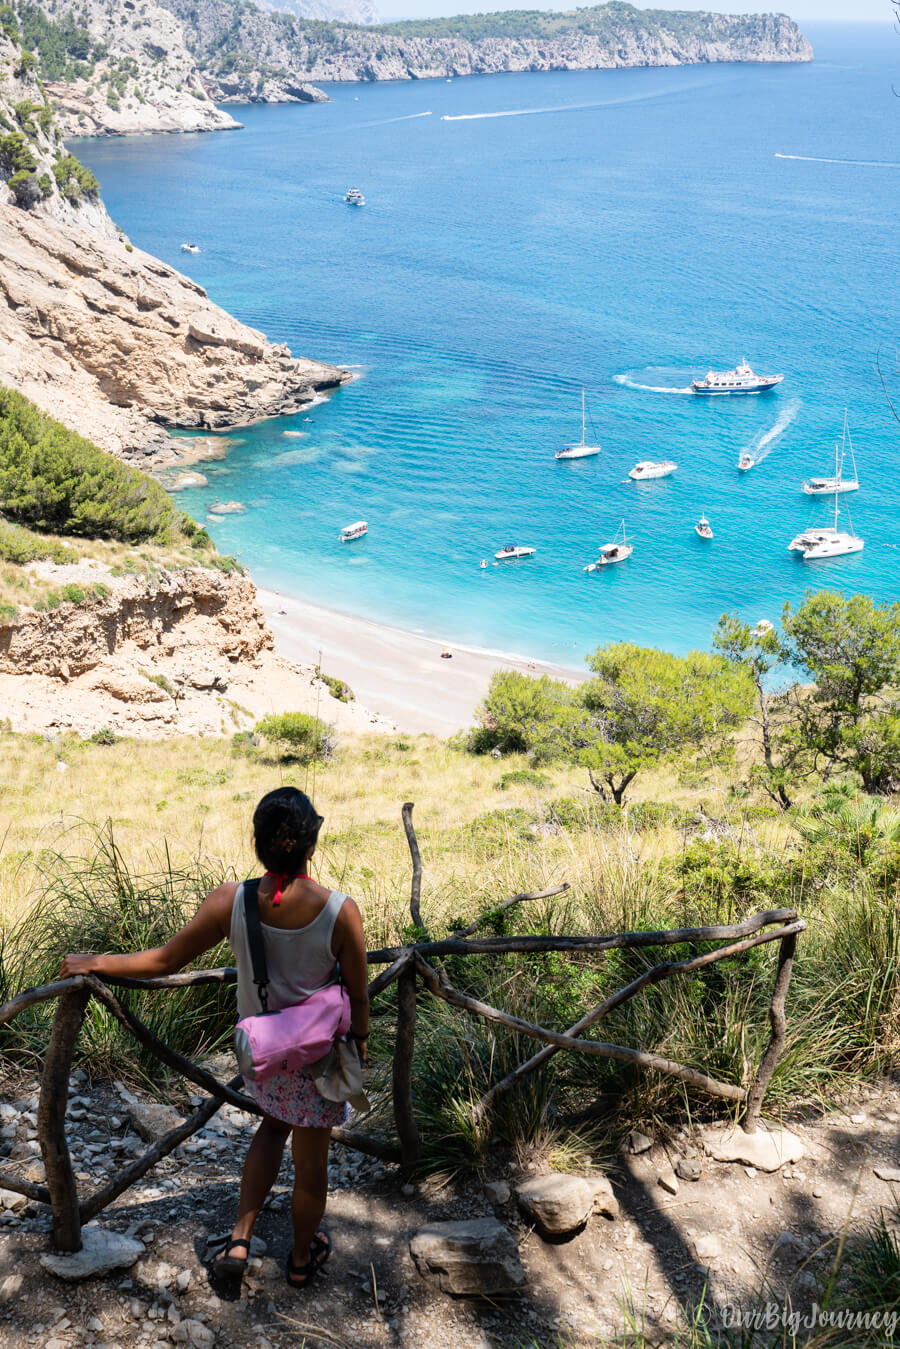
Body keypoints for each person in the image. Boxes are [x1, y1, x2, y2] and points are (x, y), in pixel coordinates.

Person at [60, 787, 369, 1291]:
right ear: (311, 844)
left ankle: (240, 1238)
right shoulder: (341, 912)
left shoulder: (233, 901)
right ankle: (298, 1260)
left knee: (270, 1131)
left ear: (259, 842)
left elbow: (164, 960)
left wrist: (95, 962)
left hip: (263, 1055)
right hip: (318, 1060)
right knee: (312, 1166)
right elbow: (358, 995)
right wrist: (360, 1042)